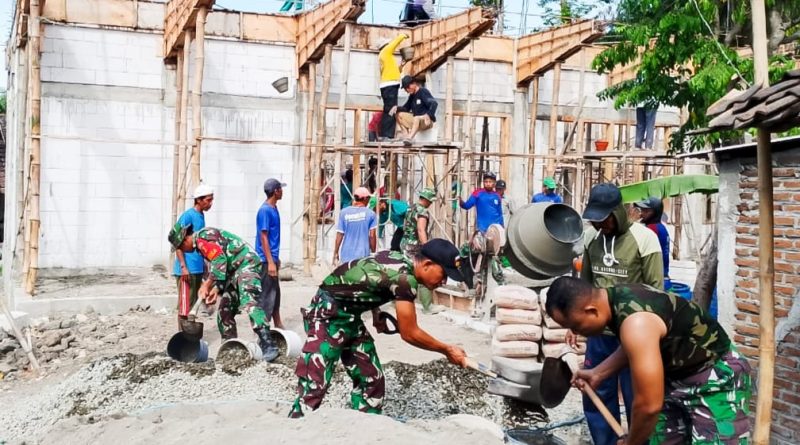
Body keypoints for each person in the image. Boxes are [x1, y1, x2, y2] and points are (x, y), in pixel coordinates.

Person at [546, 277, 751, 445]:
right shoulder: (613, 300)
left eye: (575, 325)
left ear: (591, 311)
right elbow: (634, 347)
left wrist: (631, 442)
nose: (574, 332)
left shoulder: (637, 322)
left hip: (715, 378)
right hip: (675, 379)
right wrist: (598, 373)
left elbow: (648, 406)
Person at [289, 239, 468, 418]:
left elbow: (368, 277)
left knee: (371, 378)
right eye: (444, 274)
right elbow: (410, 333)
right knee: (314, 384)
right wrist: (447, 350)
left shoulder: (397, 257)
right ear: (428, 264)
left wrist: (376, 312)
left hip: (350, 316)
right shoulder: (405, 280)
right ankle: (296, 427)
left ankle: (365, 426)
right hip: (327, 316)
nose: (443, 281)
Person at [572, 182, 664, 445]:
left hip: (634, 334)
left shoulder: (645, 239)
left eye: (605, 220)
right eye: (596, 221)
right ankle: (605, 441)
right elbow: (586, 285)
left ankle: (637, 441)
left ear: (619, 212)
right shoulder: (591, 239)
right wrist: (576, 324)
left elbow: (656, 291)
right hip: (600, 332)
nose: (601, 226)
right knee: (596, 392)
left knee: (638, 395)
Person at [168, 223, 278, 361]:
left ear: (185, 239)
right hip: (234, 271)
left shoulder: (202, 239)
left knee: (249, 302)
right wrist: (216, 289)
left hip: (246, 264)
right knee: (224, 310)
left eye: (181, 247)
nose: (183, 251)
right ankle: (230, 348)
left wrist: (206, 285)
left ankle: (268, 344)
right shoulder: (201, 245)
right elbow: (222, 265)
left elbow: (219, 260)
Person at [173, 184, 214, 326]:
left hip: (197, 268)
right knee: (185, 306)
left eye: (211, 200)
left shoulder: (200, 216)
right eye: (208, 200)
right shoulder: (188, 216)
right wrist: (183, 267)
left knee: (193, 307)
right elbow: (176, 241)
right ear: (199, 200)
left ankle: (190, 336)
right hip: (187, 269)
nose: (210, 203)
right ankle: (183, 337)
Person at [400, 188, 444, 314]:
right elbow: (421, 229)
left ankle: (397, 300)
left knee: (405, 272)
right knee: (424, 274)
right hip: (414, 246)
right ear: (426, 199)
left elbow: (405, 226)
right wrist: (427, 247)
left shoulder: (410, 208)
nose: (431, 203)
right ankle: (427, 307)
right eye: (430, 201)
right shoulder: (422, 211)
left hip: (404, 243)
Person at [256, 178, 286, 330]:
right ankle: (262, 329)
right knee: (267, 295)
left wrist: (275, 258)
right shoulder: (265, 210)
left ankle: (277, 322)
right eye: (281, 189)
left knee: (276, 293)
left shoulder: (274, 208)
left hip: (271, 257)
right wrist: (270, 261)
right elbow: (264, 237)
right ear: (276, 191)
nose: (282, 191)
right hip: (264, 260)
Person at [334, 187, 377, 265]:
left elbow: (339, 234)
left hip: (346, 255)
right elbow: (372, 235)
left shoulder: (344, 212)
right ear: (365, 199)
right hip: (362, 255)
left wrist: (336, 252)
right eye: (368, 198)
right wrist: (373, 253)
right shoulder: (370, 214)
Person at [634, 196, 671, 290]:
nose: (641, 214)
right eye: (641, 210)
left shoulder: (651, 229)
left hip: (654, 280)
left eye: (646, 211)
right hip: (664, 276)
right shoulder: (660, 227)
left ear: (654, 212)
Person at [378, 34, 409, 140]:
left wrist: (401, 67)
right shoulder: (385, 52)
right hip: (389, 85)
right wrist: (402, 36)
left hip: (389, 85)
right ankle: (387, 135)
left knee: (389, 109)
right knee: (391, 109)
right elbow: (394, 44)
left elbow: (393, 72)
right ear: (385, 46)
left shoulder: (386, 57)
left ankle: (386, 134)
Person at [395, 75, 438, 145]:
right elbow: (406, 108)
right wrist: (396, 108)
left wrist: (429, 115)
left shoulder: (423, 91)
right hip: (416, 121)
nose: (407, 90)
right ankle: (406, 136)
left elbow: (434, 103)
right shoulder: (412, 96)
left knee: (416, 118)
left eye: (408, 87)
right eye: (405, 89)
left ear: (414, 84)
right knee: (398, 115)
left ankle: (410, 138)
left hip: (426, 121)